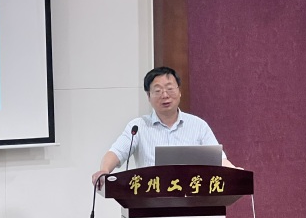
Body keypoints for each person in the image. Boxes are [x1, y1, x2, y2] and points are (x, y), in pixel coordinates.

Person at [91, 66, 237, 187]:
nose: (165, 95)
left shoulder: (198, 125)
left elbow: (218, 159)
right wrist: (104, 170)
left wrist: (235, 172)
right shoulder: (138, 127)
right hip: (150, 201)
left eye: (170, 89)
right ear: (149, 96)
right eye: (158, 91)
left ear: (179, 92)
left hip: (192, 200)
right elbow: (116, 152)